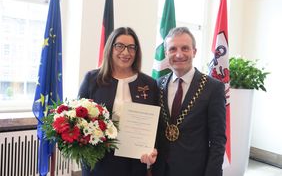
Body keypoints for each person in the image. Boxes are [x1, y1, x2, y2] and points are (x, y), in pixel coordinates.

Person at [78, 27, 158, 176]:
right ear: (110, 48)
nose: (126, 52)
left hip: (135, 164)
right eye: (119, 46)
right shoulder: (92, 79)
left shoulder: (150, 84)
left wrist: (152, 149)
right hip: (99, 163)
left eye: (131, 47)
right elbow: (79, 120)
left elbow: (155, 125)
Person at [152, 27, 227, 176]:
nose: (179, 54)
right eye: (173, 49)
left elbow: (218, 140)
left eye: (185, 48)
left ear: (194, 51)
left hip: (195, 170)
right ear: (166, 53)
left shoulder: (213, 88)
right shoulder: (157, 84)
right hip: (160, 170)